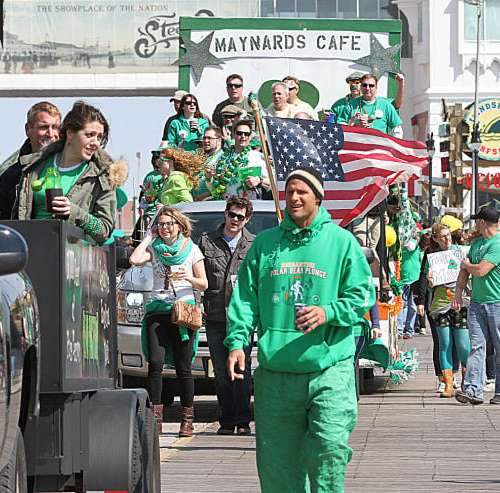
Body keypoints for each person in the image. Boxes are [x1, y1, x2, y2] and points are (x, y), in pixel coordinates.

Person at [226, 166, 374, 492]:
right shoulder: (266, 244)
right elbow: (245, 299)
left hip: (329, 369)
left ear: (318, 197)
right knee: (278, 465)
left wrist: (327, 312)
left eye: (301, 191)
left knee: (330, 450)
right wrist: (237, 342)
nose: (294, 197)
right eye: (289, 191)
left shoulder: (341, 242)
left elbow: (363, 295)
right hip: (276, 373)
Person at [129, 207, 208, 436]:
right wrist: (148, 237)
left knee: (184, 368)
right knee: (155, 364)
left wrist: (188, 277)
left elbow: (204, 284)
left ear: (179, 226)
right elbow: (134, 259)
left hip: (182, 311)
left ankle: (187, 419)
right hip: (158, 310)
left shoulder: (192, 249)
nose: (165, 227)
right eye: (161, 224)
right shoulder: (154, 249)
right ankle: (156, 418)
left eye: (169, 223)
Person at [12, 100, 124, 244]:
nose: (95, 142)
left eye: (99, 137)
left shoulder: (103, 175)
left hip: (73, 260)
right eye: (89, 135)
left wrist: (75, 213)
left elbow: (105, 231)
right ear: (70, 133)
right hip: (33, 251)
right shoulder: (35, 165)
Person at [196, 197, 255, 435]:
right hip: (215, 316)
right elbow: (197, 274)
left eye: (240, 217)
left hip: (242, 318)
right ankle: (226, 420)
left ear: (247, 219)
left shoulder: (253, 243)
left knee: (242, 367)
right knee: (221, 371)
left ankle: (243, 421)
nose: (235, 220)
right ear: (226, 214)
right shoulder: (206, 241)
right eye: (232, 215)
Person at [452, 206, 500, 405]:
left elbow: (480, 270)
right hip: (478, 303)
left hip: (499, 304)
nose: (474, 224)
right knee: (476, 347)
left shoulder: (499, 244)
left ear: (483, 222)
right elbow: (465, 272)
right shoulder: (477, 243)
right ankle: (472, 390)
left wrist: (466, 265)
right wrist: (458, 293)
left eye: (476, 220)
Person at [416, 223, 470, 398]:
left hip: (461, 302)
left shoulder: (461, 251)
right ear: (435, 239)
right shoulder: (432, 256)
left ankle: (467, 379)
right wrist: (430, 281)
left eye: (448, 235)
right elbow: (428, 283)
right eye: (442, 237)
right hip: (440, 304)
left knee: (462, 344)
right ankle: (448, 383)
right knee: (444, 343)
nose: (447, 239)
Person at [0, 101, 61, 219]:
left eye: (55, 127)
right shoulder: (11, 176)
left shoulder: (71, 168)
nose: (51, 133)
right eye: (44, 127)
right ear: (28, 130)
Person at [205, 120, 269, 200]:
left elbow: (272, 183)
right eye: (239, 133)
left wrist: (259, 180)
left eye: (246, 134)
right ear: (233, 135)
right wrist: (209, 178)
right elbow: (213, 187)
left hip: (250, 205)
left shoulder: (257, 156)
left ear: (250, 137)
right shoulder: (222, 157)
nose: (243, 136)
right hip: (227, 205)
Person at [337, 74, 403, 137]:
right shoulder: (351, 104)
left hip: (379, 146)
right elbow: (340, 127)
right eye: (364, 85)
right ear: (361, 87)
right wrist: (354, 126)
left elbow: (397, 130)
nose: (367, 88)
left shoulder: (385, 105)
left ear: (376, 88)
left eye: (371, 85)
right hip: (357, 146)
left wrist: (393, 147)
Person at [193, 126, 224, 201]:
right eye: (204, 138)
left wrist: (210, 194)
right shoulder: (200, 157)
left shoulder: (222, 158)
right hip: (196, 202)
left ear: (219, 140)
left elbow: (224, 186)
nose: (206, 141)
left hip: (213, 202)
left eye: (210, 138)